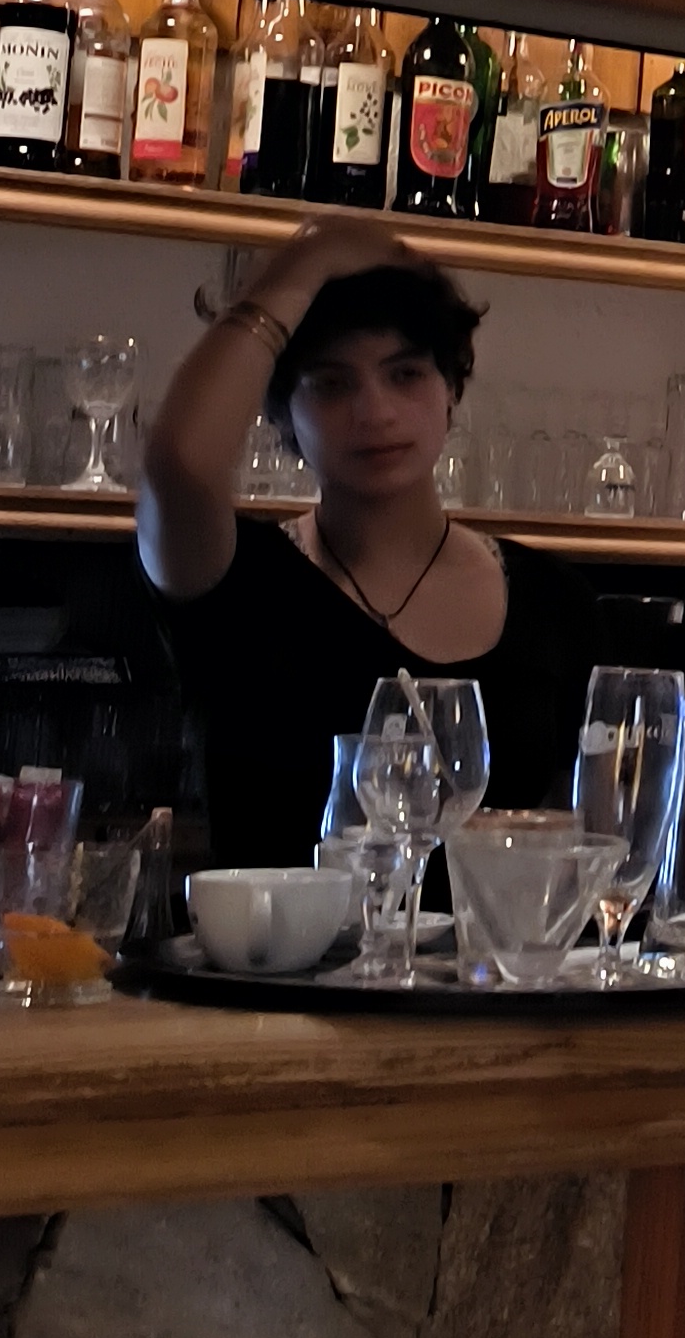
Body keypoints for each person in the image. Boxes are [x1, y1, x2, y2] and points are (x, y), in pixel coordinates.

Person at [136, 216, 599, 867]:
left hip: (495, 940)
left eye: (405, 374)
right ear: (282, 415)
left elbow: (592, 835)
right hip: (270, 939)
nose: (375, 412)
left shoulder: (553, 600)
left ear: (450, 391)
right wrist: (311, 258)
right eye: (332, 384)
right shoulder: (239, 581)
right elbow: (180, 463)